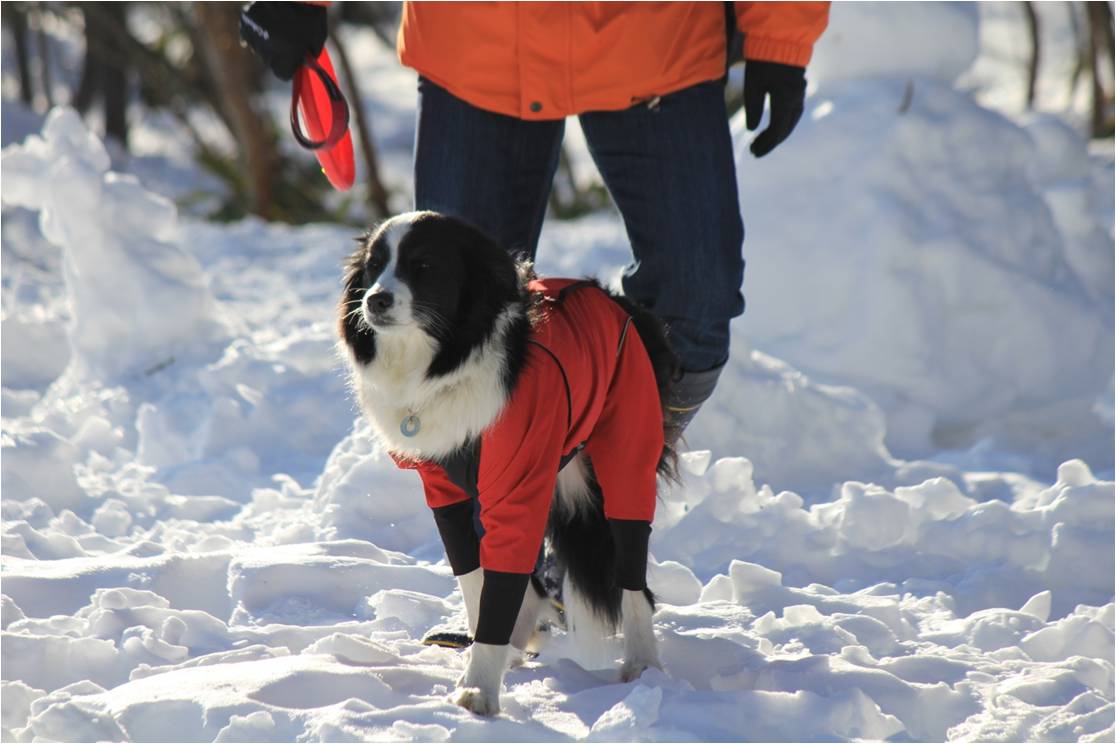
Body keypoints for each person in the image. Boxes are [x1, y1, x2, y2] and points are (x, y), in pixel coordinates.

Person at [240, 1, 830, 441]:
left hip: (655, 39)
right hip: (477, 44)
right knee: (455, 325)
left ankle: (595, 494)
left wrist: (781, 30)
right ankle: (512, 544)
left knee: (696, 309)